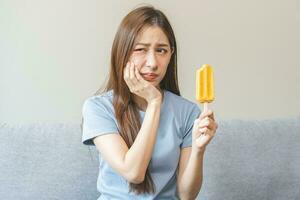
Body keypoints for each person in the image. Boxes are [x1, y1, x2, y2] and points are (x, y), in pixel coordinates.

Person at [81, 5, 218, 200]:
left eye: (161, 50)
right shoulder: (98, 108)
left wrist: (198, 150)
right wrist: (154, 102)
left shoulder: (187, 112)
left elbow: (187, 195)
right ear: (122, 53)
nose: (152, 62)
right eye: (140, 50)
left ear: (171, 54)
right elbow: (133, 172)